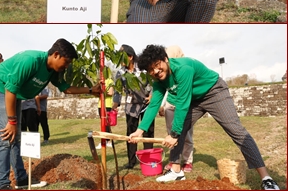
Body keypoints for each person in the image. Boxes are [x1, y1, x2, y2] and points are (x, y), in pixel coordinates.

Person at [128, 45, 280, 190]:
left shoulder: (183, 69)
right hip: (194, 100)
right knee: (178, 128)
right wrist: (140, 130)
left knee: (235, 129)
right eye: (151, 70)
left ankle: (266, 178)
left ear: (165, 59)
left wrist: (174, 134)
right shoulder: (158, 79)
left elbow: (182, 103)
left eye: (157, 64)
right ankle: (176, 171)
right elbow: (154, 104)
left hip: (214, 92)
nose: (155, 70)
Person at [0, 38, 101, 190]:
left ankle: (21, 179)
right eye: (66, 62)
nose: (67, 66)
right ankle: (3, 184)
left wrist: (91, 90)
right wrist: (12, 121)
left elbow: (65, 88)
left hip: (14, 93)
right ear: (56, 55)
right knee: (5, 138)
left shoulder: (53, 70)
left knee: (15, 137)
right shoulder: (30, 60)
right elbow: (10, 89)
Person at [115, 44, 154, 170]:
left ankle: (148, 159)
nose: (120, 60)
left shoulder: (143, 68)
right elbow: (117, 91)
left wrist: (152, 95)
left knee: (148, 132)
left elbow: (153, 81)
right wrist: (114, 105)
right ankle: (131, 162)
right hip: (131, 106)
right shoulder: (120, 73)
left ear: (130, 57)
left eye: (122, 57)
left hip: (146, 104)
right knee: (131, 134)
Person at [160, 45, 195, 173]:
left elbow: (185, 92)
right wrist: (163, 105)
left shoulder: (183, 69)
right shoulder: (166, 72)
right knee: (171, 133)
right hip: (170, 103)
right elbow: (166, 89)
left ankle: (187, 161)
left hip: (184, 103)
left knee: (186, 134)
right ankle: (174, 160)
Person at [96, 76, 115, 149]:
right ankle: (105, 141)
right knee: (103, 124)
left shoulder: (109, 80)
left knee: (106, 124)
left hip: (107, 105)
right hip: (100, 105)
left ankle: (108, 141)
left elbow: (111, 92)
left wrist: (102, 92)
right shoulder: (100, 81)